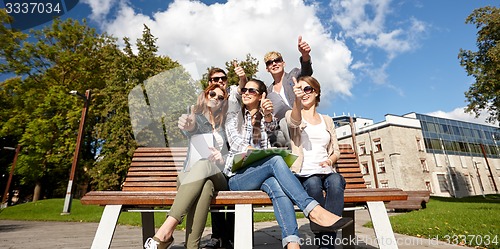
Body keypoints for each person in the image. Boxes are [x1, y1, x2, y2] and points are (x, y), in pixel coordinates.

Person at [224, 79, 353, 249]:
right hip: (238, 178)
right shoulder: (233, 117)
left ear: (262, 96)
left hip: (262, 177)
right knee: (275, 160)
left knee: (278, 188)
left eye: (252, 90)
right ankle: (313, 210)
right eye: (244, 90)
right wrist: (260, 153)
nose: (246, 92)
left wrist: (268, 116)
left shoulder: (266, 120)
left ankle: (292, 243)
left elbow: (277, 142)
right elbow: (238, 145)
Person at [144, 84, 230, 249]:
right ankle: (192, 247)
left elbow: (233, 153)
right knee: (206, 185)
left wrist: (222, 158)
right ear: (205, 96)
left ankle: (165, 231)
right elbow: (189, 127)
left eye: (221, 97)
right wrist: (188, 125)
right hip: (190, 175)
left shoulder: (224, 124)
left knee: (206, 165)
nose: (216, 98)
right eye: (212, 94)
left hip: (218, 175)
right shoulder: (196, 118)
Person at [287, 76, 346, 248]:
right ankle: (326, 243)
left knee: (336, 181)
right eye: (301, 90)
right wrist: (296, 101)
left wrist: (330, 160)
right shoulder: (293, 113)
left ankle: (325, 243)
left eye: (308, 89)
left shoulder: (327, 119)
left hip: (327, 171)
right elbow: (293, 122)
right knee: (312, 184)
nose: (304, 93)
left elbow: (336, 150)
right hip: (305, 172)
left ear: (316, 92)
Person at [265, 35, 313, 120]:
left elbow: (306, 71)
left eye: (277, 60)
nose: (274, 64)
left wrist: (305, 55)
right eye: (269, 62)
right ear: (267, 69)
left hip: (303, 121)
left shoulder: (294, 75)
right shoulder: (269, 91)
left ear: (283, 63)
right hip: (284, 128)